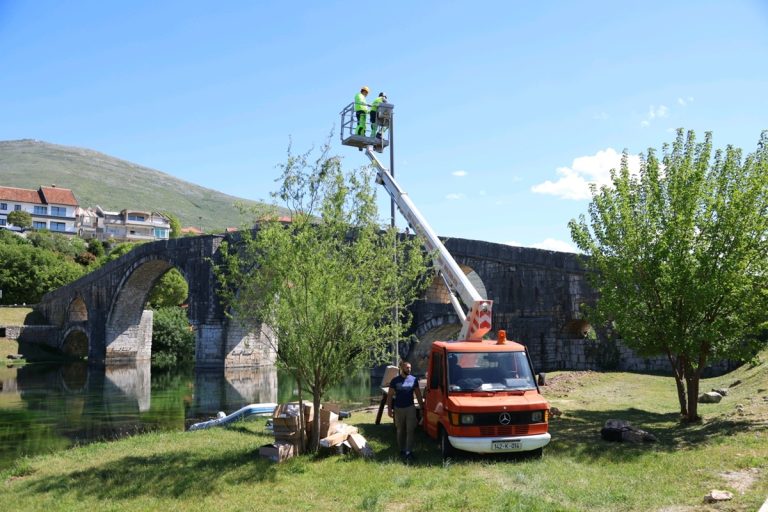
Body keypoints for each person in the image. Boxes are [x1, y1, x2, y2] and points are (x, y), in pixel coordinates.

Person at [386, 360, 425, 462]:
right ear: (402, 368)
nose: (409, 369)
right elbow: (390, 395)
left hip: (410, 408)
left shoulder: (414, 380)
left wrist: (422, 407)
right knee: (400, 430)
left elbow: (418, 395)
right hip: (398, 408)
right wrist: (389, 409)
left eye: (410, 367)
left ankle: (409, 452)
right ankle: (401, 449)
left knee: (410, 430)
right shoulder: (395, 381)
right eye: (407, 367)